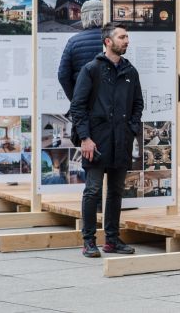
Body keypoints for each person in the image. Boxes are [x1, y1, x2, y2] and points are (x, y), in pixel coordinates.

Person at [70, 22, 144, 258]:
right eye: (122, 37)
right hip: (96, 142)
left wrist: (131, 129)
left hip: (121, 141)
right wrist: (85, 138)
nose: (126, 40)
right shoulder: (91, 70)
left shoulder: (131, 72)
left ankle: (111, 240)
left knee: (116, 192)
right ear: (108, 42)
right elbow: (77, 107)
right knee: (92, 191)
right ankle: (89, 241)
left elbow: (138, 104)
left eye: (127, 37)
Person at [57, 0, 104, 101]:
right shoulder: (114, 39)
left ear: (84, 17)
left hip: (83, 101)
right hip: (110, 104)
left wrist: (75, 99)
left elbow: (63, 76)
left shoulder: (73, 42)